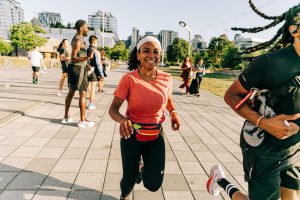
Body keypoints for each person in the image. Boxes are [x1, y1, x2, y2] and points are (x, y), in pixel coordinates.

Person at [207, 3, 300, 200]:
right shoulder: (270, 63)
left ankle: (220, 180)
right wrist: (263, 122)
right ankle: (221, 181)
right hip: (263, 149)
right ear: (294, 29)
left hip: (294, 150)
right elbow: (231, 95)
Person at [108, 36, 180, 200]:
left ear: (160, 55)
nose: (151, 55)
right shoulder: (129, 79)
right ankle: (124, 195)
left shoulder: (167, 78)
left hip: (155, 135)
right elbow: (113, 109)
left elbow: (167, 98)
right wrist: (122, 120)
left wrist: (173, 113)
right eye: (146, 51)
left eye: (156, 51)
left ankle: (142, 170)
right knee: (129, 179)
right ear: (138, 54)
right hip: (131, 135)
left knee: (153, 185)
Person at [61, 19, 95, 128]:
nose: (87, 29)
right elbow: (74, 57)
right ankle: (82, 120)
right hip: (78, 69)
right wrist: (87, 57)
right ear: (81, 28)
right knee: (83, 93)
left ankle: (66, 117)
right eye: (86, 27)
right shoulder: (78, 40)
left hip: (77, 67)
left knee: (71, 92)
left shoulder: (79, 39)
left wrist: (87, 63)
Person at [86, 35, 105, 110]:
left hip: (87, 70)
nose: (97, 44)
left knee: (87, 86)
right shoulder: (95, 51)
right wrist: (101, 74)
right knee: (93, 87)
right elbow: (98, 63)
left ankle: (86, 100)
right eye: (96, 42)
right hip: (93, 71)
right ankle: (91, 104)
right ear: (94, 42)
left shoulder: (87, 49)